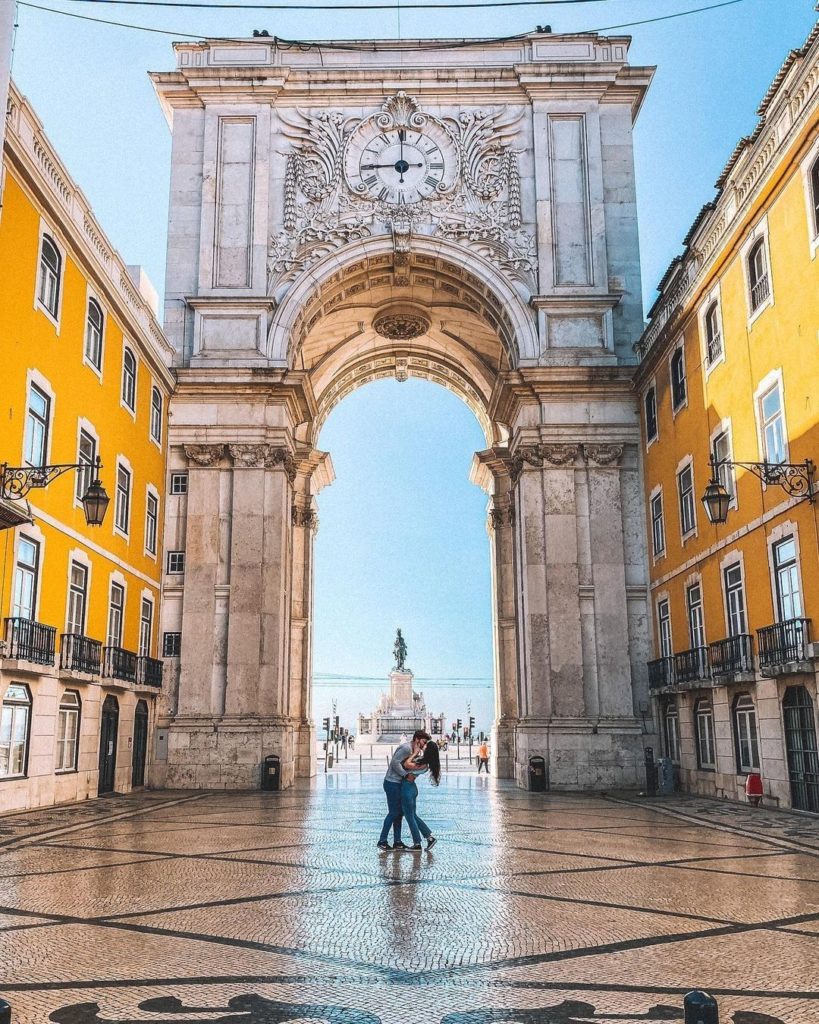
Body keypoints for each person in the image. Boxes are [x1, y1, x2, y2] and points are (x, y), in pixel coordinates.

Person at [377, 729, 430, 851]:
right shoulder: (406, 748)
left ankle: (397, 841)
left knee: (399, 814)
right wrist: (405, 775)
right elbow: (395, 763)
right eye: (423, 741)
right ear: (417, 739)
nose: (424, 744)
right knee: (393, 812)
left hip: (398, 783)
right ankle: (382, 840)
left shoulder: (414, 751)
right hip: (392, 782)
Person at [400, 741, 441, 851]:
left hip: (407, 788)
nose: (423, 746)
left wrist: (415, 753)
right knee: (412, 815)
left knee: (409, 817)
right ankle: (429, 838)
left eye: (425, 746)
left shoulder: (422, 763)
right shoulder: (423, 762)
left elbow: (406, 764)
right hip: (411, 787)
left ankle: (417, 843)